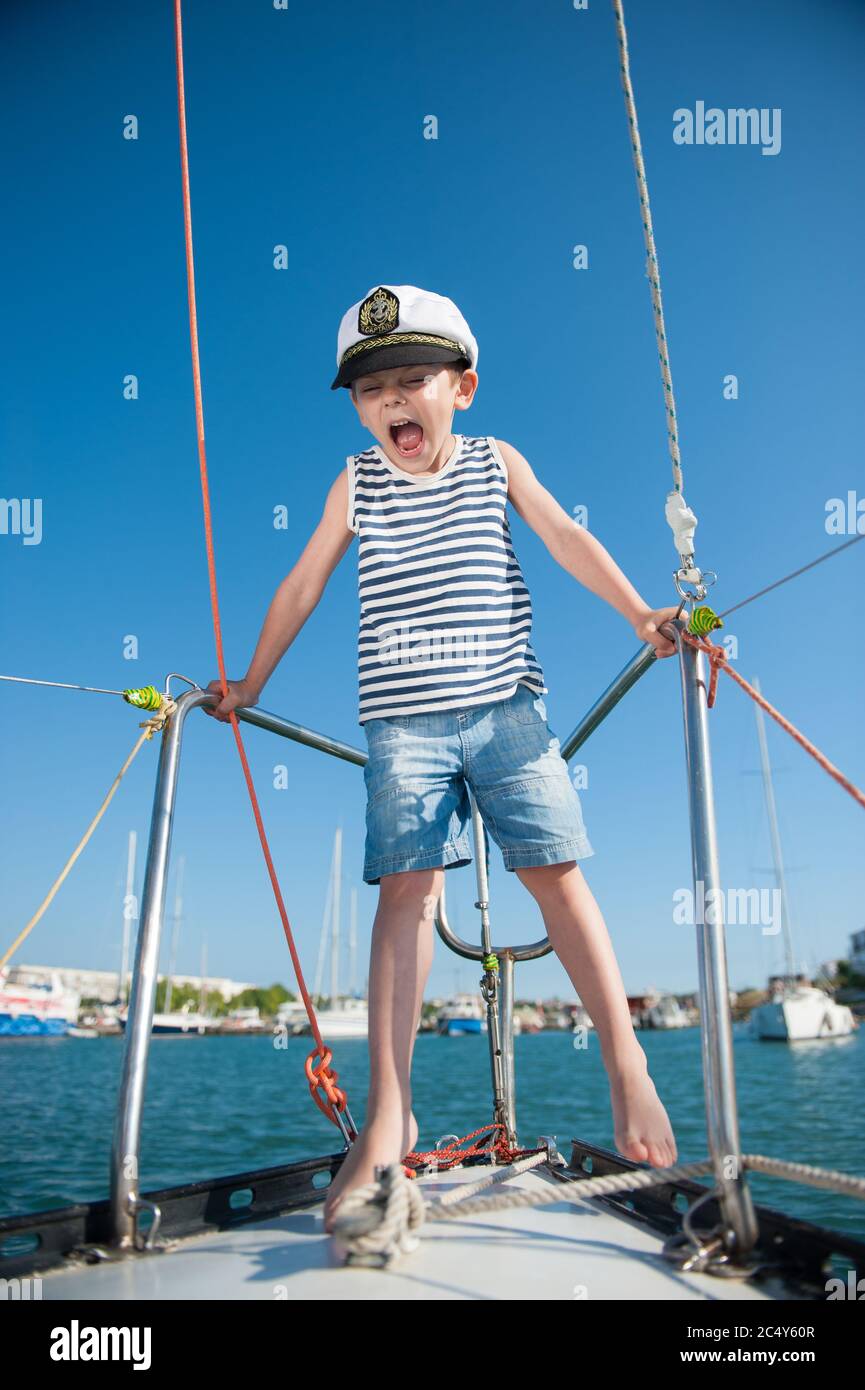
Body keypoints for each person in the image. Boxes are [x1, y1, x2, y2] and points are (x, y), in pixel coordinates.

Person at [204, 284, 682, 1234]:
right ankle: (389, 1111)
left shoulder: (495, 463)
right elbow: (302, 583)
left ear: (460, 388)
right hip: (402, 728)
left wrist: (639, 614)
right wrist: (252, 680)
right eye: (370, 386)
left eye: (413, 378)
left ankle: (624, 1058)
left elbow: (564, 536)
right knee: (405, 896)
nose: (391, 399)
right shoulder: (356, 483)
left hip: (507, 710)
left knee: (556, 877)